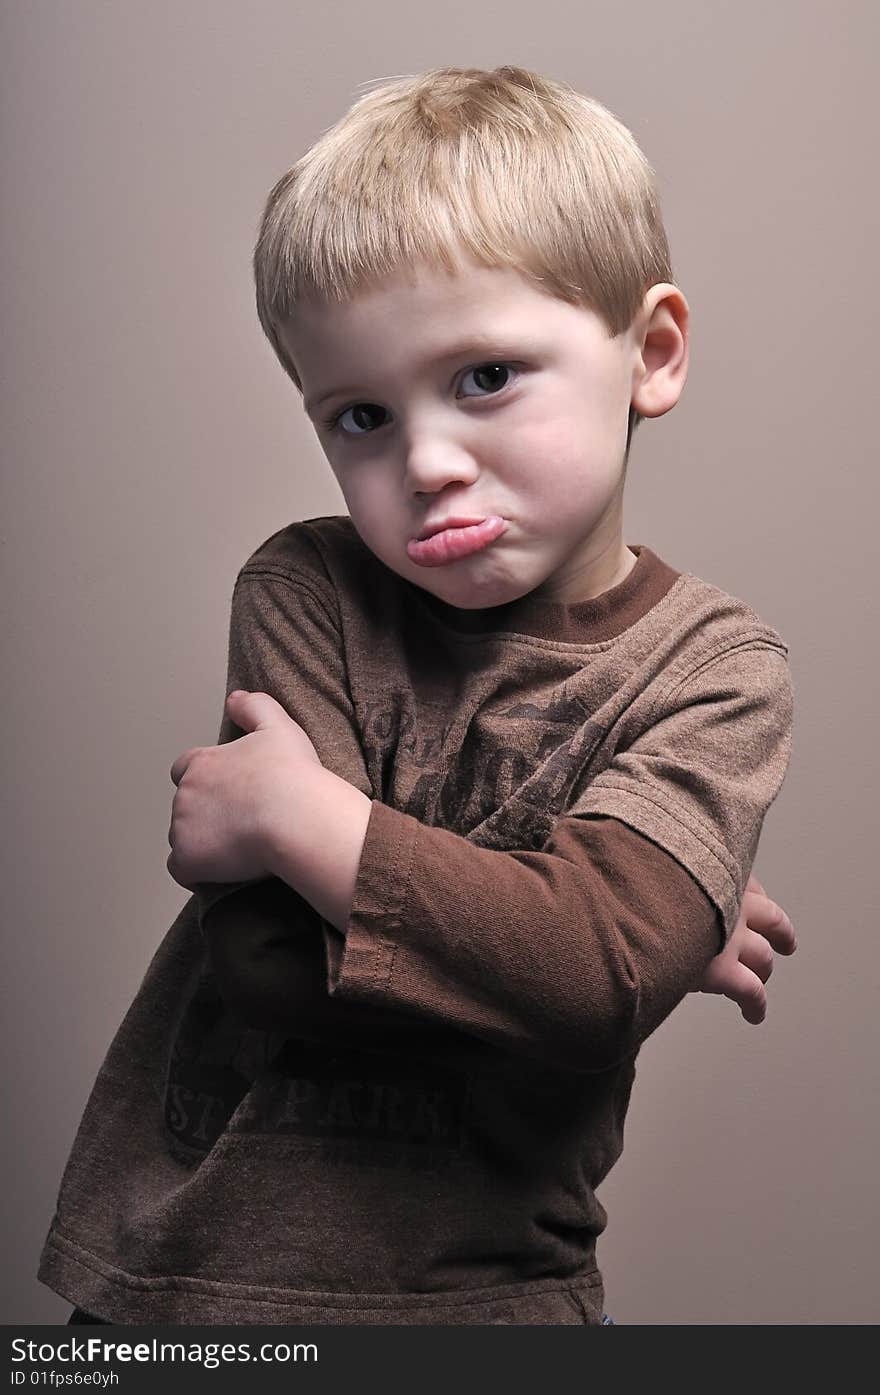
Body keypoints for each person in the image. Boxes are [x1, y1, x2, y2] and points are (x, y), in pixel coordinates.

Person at [39, 65, 796, 1327]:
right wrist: (584, 930)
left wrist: (301, 823)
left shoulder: (714, 670)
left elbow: (591, 975)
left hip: (487, 1301)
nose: (426, 463)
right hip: (181, 1292)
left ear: (649, 355)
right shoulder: (308, 589)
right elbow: (274, 962)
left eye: (486, 376)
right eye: (359, 416)